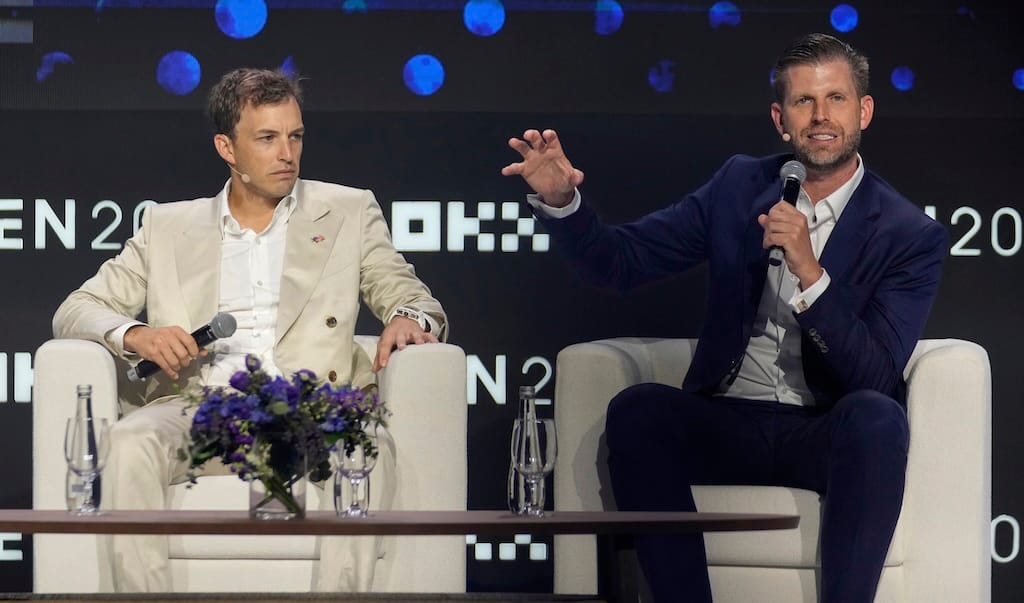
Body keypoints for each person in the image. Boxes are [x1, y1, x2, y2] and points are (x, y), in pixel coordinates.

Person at [502, 33, 948, 602]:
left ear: (863, 112)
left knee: (878, 418)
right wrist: (563, 204)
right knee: (640, 411)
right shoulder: (740, 186)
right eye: (803, 101)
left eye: (836, 99)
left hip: (823, 428)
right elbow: (621, 263)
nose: (820, 117)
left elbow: (874, 376)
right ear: (780, 119)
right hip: (731, 419)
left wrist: (812, 275)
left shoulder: (909, 233)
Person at [53, 67, 446, 593]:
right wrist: (137, 334)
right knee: (128, 442)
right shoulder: (168, 226)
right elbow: (77, 308)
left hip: (313, 407)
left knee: (362, 444)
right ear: (227, 148)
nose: (287, 153)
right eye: (267, 138)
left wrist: (408, 318)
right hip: (201, 406)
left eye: (295, 136)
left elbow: (413, 297)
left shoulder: (348, 211)